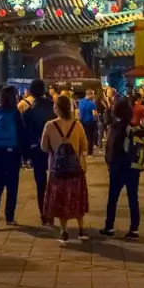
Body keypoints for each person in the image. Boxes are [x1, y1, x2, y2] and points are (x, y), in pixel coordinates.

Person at [41, 94, 90, 243]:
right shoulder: (77, 125)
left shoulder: (50, 125)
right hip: (76, 169)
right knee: (77, 198)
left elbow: (43, 147)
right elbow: (85, 147)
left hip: (57, 169)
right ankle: (81, 230)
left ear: (56, 108)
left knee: (61, 199)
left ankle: (64, 231)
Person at [0, 85, 31, 229]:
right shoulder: (15, 112)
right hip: (11, 151)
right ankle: (9, 217)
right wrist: (26, 154)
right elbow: (22, 133)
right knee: (12, 185)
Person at [101, 98, 143, 239]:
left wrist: (109, 162)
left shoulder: (116, 127)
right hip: (132, 167)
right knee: (133, 198)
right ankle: (134, 229)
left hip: (118, 166)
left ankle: (109, 226)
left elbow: (111, 147)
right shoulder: (132, 127)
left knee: (113, 198)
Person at [23, 79, 56, 225]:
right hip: (53, 149)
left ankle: (44, 214)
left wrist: (26, 155)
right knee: (54, 182)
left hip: (36, 150)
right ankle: (53, 211)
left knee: (40, 183)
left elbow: (26, 134)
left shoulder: (28, 112)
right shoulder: (53, 107)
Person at [76, 90, 98, 155]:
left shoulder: (80, 101)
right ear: (90, 95)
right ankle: (89, 152)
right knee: (90, 137)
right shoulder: (92, 103)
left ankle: (82, 151)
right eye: (93, 94)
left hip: (82, 121)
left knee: (82, 136)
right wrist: (96, 118)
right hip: (90, 122)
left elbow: (78, 112)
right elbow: (95, 114)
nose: (93, 96)